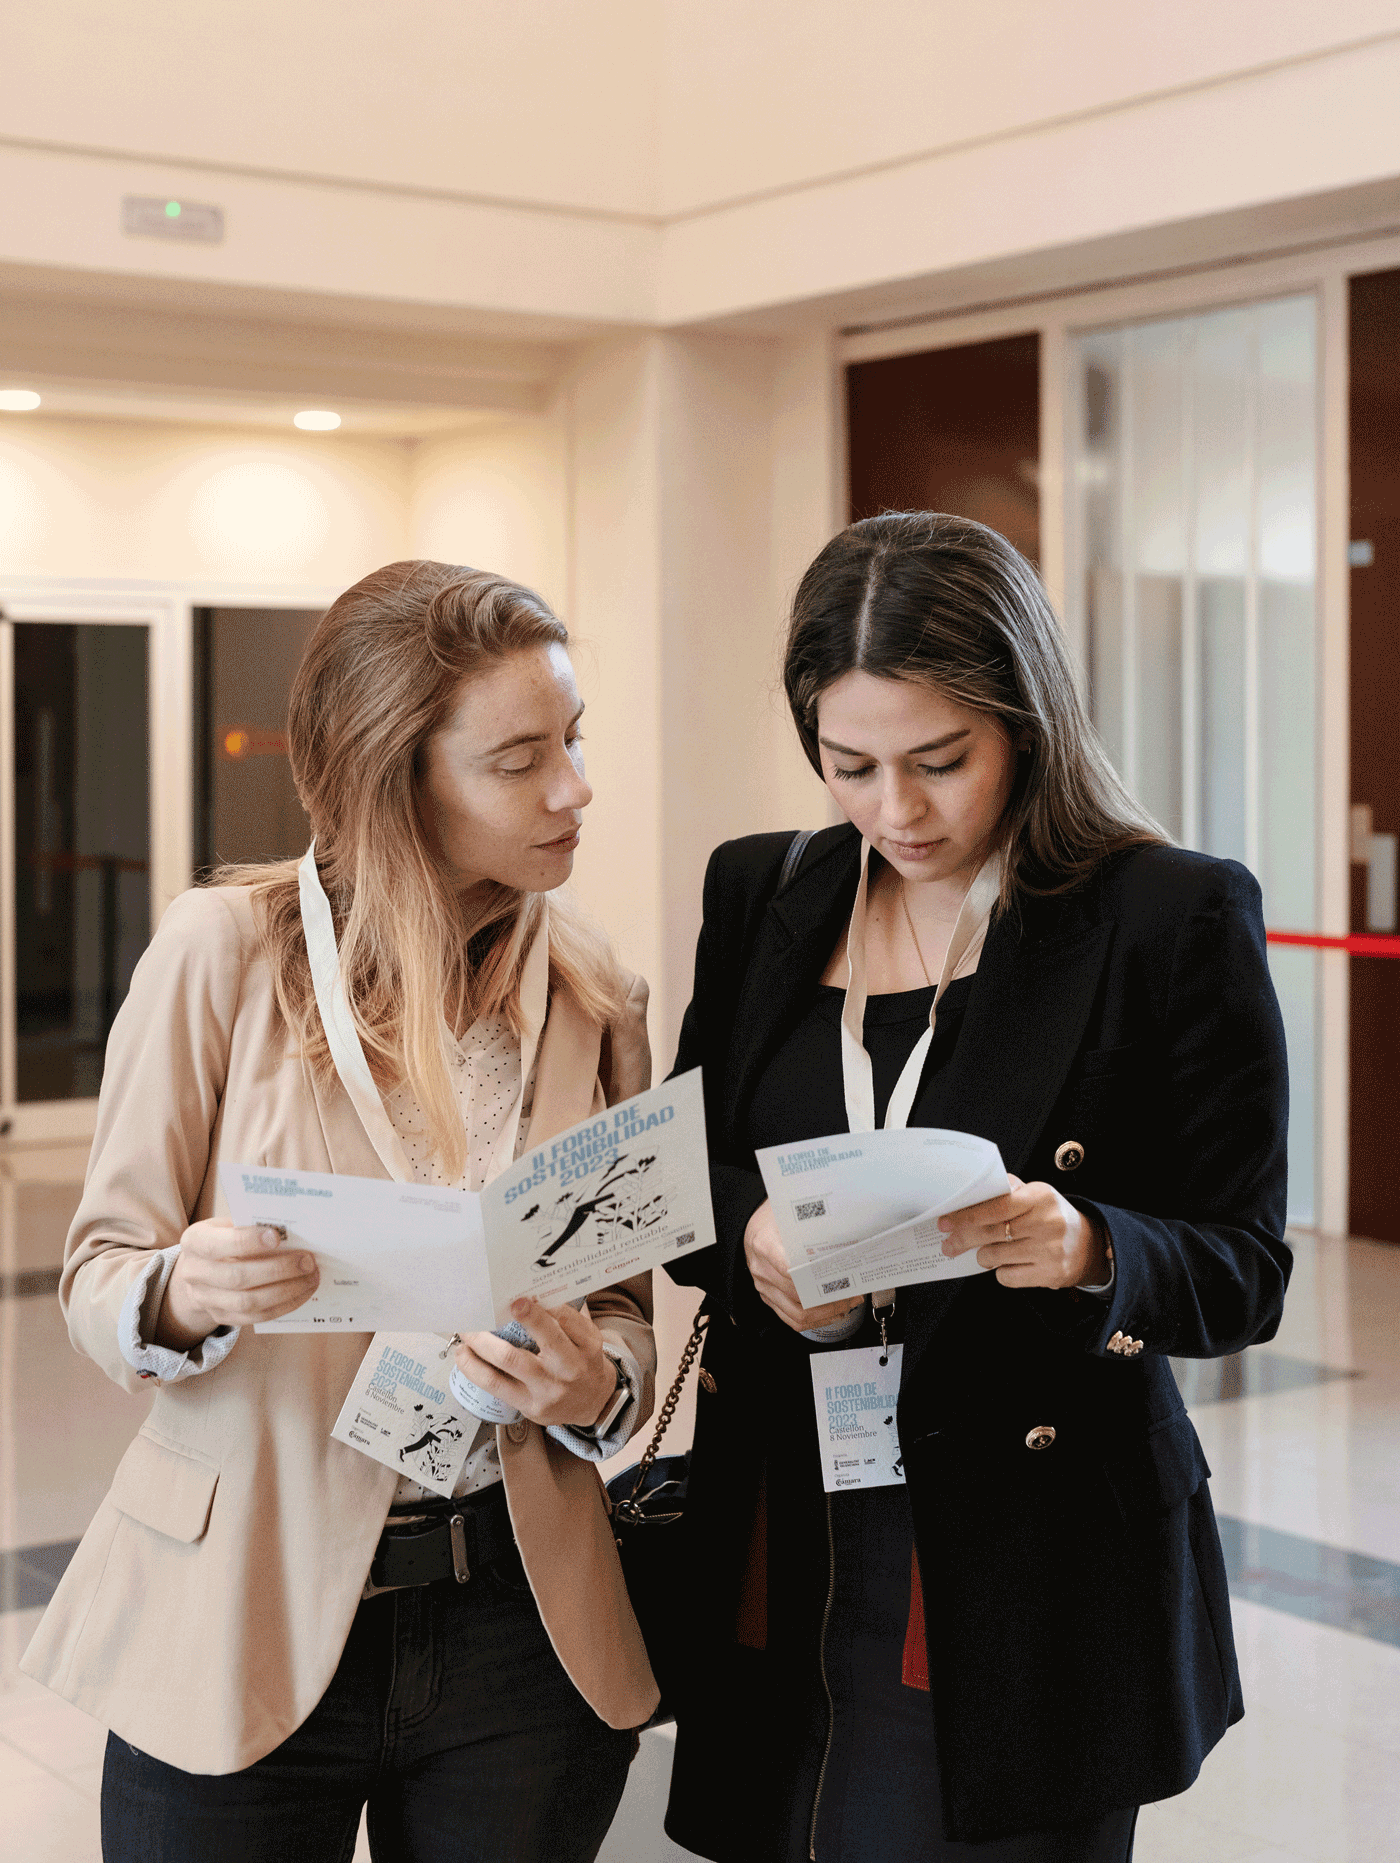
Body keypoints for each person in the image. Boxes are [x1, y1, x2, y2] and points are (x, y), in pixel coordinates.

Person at [662, 512, 1291, 1863]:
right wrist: (752, 1236)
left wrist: (1086, 1246)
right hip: (790, 1508)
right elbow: (685, 1181)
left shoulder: (1164, 917)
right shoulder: (762, 891)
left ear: (1030, 720)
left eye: (942, 761)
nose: (899, 812)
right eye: (853, 765)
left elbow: (1246, 1264)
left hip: (1027, 1545)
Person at [22, 561, 660, 1863]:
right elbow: (98, 1272)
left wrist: (597, 1378)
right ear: (395, 777)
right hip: (238, 1609)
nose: (575, 787)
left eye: (576, 741)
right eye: (519, 759)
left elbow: (622, 1314)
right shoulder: (223, 952)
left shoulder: (600, 995)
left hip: (519, 1630)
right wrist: (182, 1289)